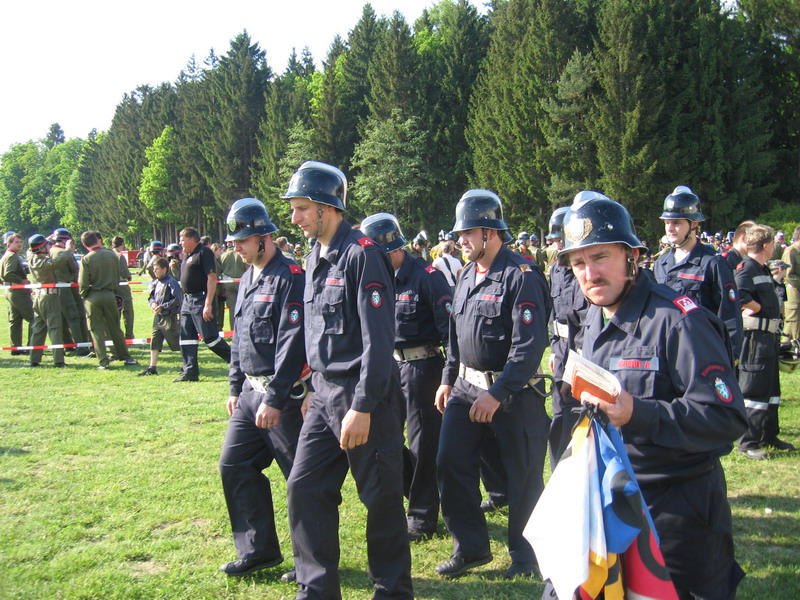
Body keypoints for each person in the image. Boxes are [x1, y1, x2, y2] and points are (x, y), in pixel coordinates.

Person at [560, 193, 747, 599]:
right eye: (578, 262)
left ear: (632, 256)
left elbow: (726, 418)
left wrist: (638, 413)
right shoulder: (592, 319)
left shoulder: (679, 321)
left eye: (601, 257)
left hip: (676, 516)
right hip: (609, 506)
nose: (590, 273)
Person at [283, 161, 413, 600]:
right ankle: (317, 590)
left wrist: (362, 407)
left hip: (362, 395)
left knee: (381, 500)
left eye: (302, 208)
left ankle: (392, 592)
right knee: (304, 487)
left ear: (326, 207)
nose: (295, 218)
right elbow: (315, 333)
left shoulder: (363, 254)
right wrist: (310, 387)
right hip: (323, 395)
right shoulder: (314, 257)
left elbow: (379, 341)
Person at [434, 189, 551, 579]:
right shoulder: (466, 273)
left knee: (523, 476)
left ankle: (527, 555)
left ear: (490, 232)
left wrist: (497, 393)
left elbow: (529, 345)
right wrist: (448, 378)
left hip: (513, 393)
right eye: (460, 234)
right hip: (465, 389)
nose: (461, 241)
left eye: (468, 233)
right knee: (450, 462)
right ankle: (470, 548)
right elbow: (456, 334)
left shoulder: (522, 275)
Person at [218, 198, 308, 577]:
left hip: (283, 397)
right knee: (234, 464)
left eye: (242, 240)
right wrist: (234, 386)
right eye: (234, 241)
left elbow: (292, 343)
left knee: (301, 480)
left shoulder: (290, 276)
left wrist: (274, 397)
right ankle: (258, 550)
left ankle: (311, 562)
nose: (236, 247)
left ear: (263, 237)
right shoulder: (247, 278)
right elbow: (239, 338)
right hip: (249, 394)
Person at [361, 212, 452, 542]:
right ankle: (419, 492)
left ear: (393, 249)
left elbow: (449, 330)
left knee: (423, 443)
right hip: (388, 368)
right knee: (383, 438)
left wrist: (449, 377)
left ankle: (422, 516)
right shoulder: (376, 279)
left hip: (422, 368)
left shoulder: (427, 277)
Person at [653, 186, 743, 358]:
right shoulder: (661, 263)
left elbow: (730, 316)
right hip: (666, 351)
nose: (670, 228)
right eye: (667, 222)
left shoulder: (713, 263)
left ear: (694, 224)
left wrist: (729, 358)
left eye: (676, 223)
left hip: (702, 352)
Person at [735, 225, 795, 459]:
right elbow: (738, 293)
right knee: (753, 390)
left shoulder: (762, 269)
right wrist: (756, 307)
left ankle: (768, 435)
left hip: (769, 337)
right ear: (767, 245)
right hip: (754, 340)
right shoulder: (747, 268)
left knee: (771, 390)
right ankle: (748, 442)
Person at [544, 203, 589, 467]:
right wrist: (553, 347)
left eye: (562, 240)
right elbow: (553, 312)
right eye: (556, 241)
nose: (558, 245)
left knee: (582, 418)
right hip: (561, 352)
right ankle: (558, 474)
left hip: (584, 354)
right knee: (560, 417)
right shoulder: (557, 270)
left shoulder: (585, 270)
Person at [174, 227, 231, 382]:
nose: (180, 243)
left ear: (193, 239)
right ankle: (190, 372)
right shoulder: (188, 255)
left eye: (183, 239)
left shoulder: (204, 253)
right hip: (187, 301)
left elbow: (212, 277)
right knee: (186, 337)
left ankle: (237, 362)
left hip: (201, 299)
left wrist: (208, 304)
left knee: (210, 338)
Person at [78, 231, 139, 370]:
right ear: (98, 240)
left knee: (96, 330)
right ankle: (126, 357)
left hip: (93, 296)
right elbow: (117, 276)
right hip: (110, 294)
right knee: (115, 327)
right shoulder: (112, 255)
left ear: (84, 245)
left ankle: (103, 361)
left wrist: (85, 295)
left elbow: (83, 283)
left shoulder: (86, 259)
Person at [26, 234, 66, 367]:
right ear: (41, 248)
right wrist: (66, 249)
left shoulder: (32, 259)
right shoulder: (45, 262)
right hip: (49, 297)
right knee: (55, 327)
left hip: (37, 297)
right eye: (46, 245)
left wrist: (45, 240)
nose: (49, 247)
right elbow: (58, 261)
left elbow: (30, 250)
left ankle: (34, 359)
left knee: (38, 329)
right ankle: (58, 360)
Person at [138, 257, 182, 376]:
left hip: (169, 317)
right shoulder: (156, 282)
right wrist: (153, 304)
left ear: (164, 269)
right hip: (157, 317)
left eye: (157, 269)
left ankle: (187, 364)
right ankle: (152, 367)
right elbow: (151, 297)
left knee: (176, 342)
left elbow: (177, 299)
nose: (154, 271)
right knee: (155, 341)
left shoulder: (171, 282)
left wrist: (163, 307)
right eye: (154, 268)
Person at [49, 227, 89, 355]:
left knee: (63, 318)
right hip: (67, 287)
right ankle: (81, 346)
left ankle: (68, 344)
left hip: (56, 288)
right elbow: (74, 268)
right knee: (75, 316)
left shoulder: (50, 251)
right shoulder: (64, 253)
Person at [0, 232, 34, 354]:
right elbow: (8, 274)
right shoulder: (12, 256)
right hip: (17, 291)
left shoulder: (5, 255)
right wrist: (22, 281)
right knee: (34, 318)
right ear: (9, 243)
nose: (19, 244)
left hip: (9, 290)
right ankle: (32, 347)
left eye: (20, 242)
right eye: (16, 242)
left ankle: (15, 348)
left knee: (15, 321)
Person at [111, 235, 135, 339]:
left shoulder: (108, 254)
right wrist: (129, 276)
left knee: (116, 311)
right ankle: (129, 334)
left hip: (112, 286)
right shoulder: (120, 256)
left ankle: (116, 334)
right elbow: (125, 272)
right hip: (122, 286)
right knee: (128, 310)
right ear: (122, 244)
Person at [220, 241, 246, 331]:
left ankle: (233, 331)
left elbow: (220, 269)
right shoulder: (241, 254)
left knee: (232, 309)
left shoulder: (223, 256)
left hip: (228, 284)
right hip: (241, 283)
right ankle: (242, 329)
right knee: (243, 307)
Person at [781, 225, 800, 342]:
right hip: (793, 293)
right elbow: (788, 276)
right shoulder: (790, 252)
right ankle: (787, 347)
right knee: (792, 323)